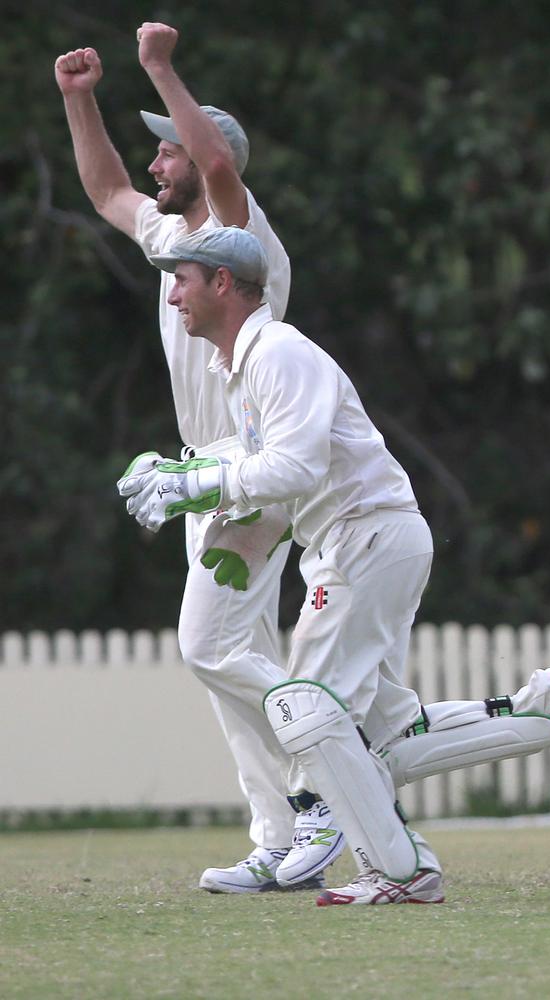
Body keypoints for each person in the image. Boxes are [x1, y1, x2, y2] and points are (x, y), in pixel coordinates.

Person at [119, 226, 550, 905]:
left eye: (182, 277)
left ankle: (399, 869)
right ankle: (545, 711)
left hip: (366, 540)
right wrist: (212, 495)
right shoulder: (241, 369)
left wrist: (196, 485)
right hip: (359, 543)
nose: (173, 292)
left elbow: (294, 465)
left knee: (309, 711)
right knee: (386, 737)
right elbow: (283, 475)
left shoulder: (278, 353)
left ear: (222, 284)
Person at [54, 22, 345, 893]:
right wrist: (78, 100)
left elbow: (218, 168)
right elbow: (105, 187)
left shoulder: (240, 239)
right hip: (199, 477)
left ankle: (332, 761)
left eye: (167, 150)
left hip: (248, 473)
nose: (157, 165)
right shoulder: (175, 242)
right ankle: (283, 834)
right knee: (226, 669)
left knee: (205, 646)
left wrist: (159, 67)